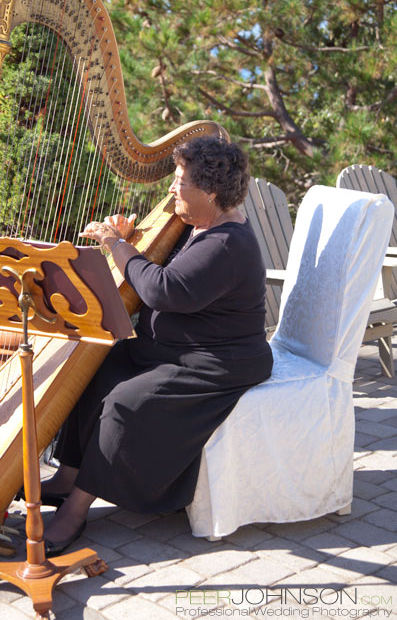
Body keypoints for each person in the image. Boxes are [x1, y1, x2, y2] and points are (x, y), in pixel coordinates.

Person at [42, 135, 273, 554]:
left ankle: (76, 508)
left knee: (126, 403)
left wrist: (116, 244)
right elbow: (159, 268)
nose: (170, 189)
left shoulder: (228, 243)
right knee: (99, 369)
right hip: (168, 350)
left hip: (215, 361)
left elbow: (164, 290)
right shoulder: (198, 225)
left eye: (180, 181)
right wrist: (133, 240)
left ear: (210, 192)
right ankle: (68, 474)